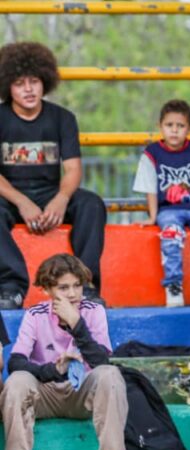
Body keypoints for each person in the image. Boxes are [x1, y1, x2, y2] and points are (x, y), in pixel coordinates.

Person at [0, 254, 128, 450]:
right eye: (63, 287)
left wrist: (76, 323)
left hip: (82, 394)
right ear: (48, 289)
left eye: (77, 286)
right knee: (17, 382)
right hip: (46, 392)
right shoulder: (35, 315)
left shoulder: (94, 311)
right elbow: (16, 362)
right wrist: (53, 371)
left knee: (110, 375)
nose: (72, 294)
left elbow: (101, 361)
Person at [0, 42, 106, 310]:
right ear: (7, 86)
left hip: (50, 192)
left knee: (91, 204)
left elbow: (72, 168)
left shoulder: (63, 118)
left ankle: (87, 286)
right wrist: (22, 202)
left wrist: (61, 197)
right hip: (9, 194)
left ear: (44, 81)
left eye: (34, 81)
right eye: (19, 82)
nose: (28, 89)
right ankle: (11, 288)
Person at [132, 99, 190, 307]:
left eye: (180, 126)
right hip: (168, 210)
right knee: (171, 234)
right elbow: (151, 189)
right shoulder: (152, 153)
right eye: (169, 125)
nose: (174, 131)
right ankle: (173, 285)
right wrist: (153, 216)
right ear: (160, 126)